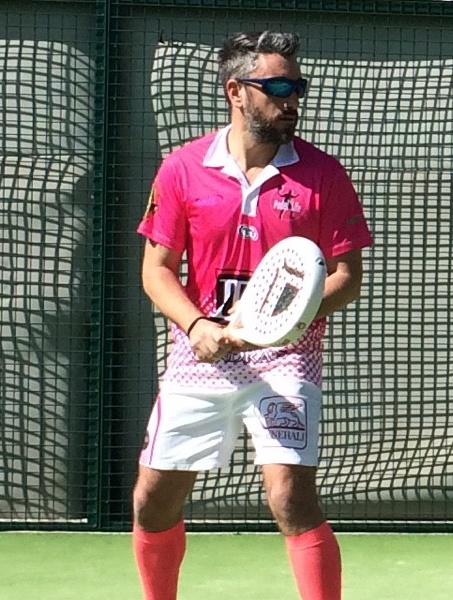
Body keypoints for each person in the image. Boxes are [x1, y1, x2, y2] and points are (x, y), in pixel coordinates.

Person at [133, 30, 373, 600]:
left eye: (298, 88)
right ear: (236, 91)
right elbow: (156, 271)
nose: (292, 100)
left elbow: (347, 277)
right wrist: (198, 326)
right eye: (278, 88)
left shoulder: (324, 176)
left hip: (287, 358)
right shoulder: (183, 167)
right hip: (200, 357)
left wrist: (278, 324)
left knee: (290, 497)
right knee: (152, 501)